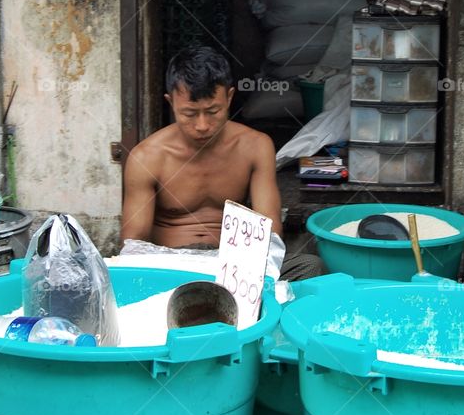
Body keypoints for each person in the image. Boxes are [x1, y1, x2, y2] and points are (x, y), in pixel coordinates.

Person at [121, 46, 325, 281]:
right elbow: (133, 245)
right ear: (171, 102)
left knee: (310, 267)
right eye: (189, 114)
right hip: (172, 265)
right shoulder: (147, 157)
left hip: (236, 266)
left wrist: (252, 273)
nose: (202, 125)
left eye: (213, 111)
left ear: (229, 98)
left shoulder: (255, 146)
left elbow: (270, 231)